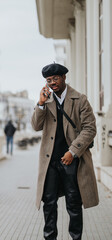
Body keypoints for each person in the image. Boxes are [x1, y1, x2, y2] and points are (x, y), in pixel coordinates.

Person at [31, 63, 99, 240]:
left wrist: (73, 151)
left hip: (72, 160)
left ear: (64, 78)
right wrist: (40, 104)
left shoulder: (80, 99)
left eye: (55, 79)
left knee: (73, 203)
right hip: (50, 161)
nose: (52, 83)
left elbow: (90, 129)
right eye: (48, 80)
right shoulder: (46, 100)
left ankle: (76, 237)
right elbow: (36, 126)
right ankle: (50, 237)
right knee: (49, 203)